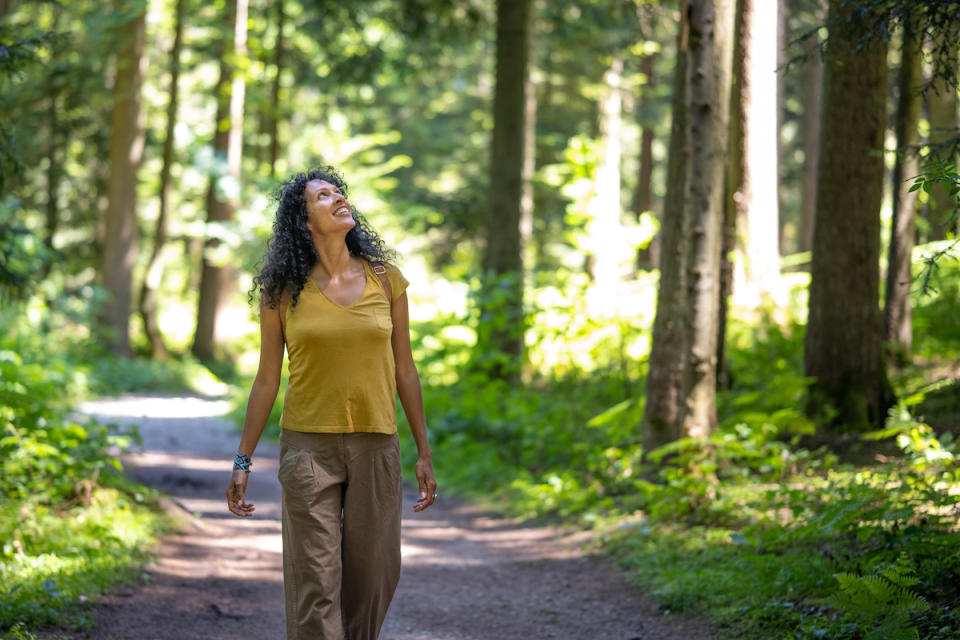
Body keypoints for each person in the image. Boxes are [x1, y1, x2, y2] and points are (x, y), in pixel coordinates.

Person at [225, 166, 437, 640]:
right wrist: (243, 458)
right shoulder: (282, 292)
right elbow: (265, 380)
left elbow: (406, 370)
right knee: (316, 585)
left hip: (376, 446)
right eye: (323, 195)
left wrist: (423, 451)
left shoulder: (387, 280)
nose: (339, 197)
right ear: (304, 223)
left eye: (340, 191)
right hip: (307, 451)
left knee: (373, 580)